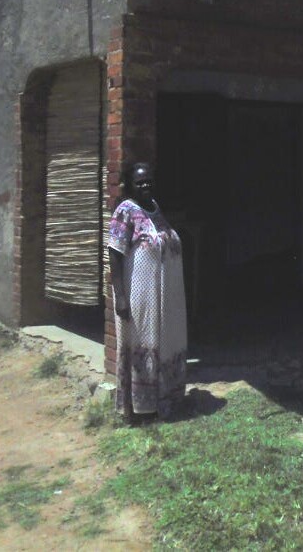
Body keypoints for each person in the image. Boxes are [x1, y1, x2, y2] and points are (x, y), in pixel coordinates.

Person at [108, 162, 188, 421]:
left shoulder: (154, 208)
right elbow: (115, 252)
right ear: (129, 185)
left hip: (163, 294)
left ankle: (164, 398)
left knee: (163, 340)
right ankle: (140, 407)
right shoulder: (125, 211)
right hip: (138, 293)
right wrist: (120, 296)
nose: (145, 185)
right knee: (142, 340)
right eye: (139, 182)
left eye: (148, 180)